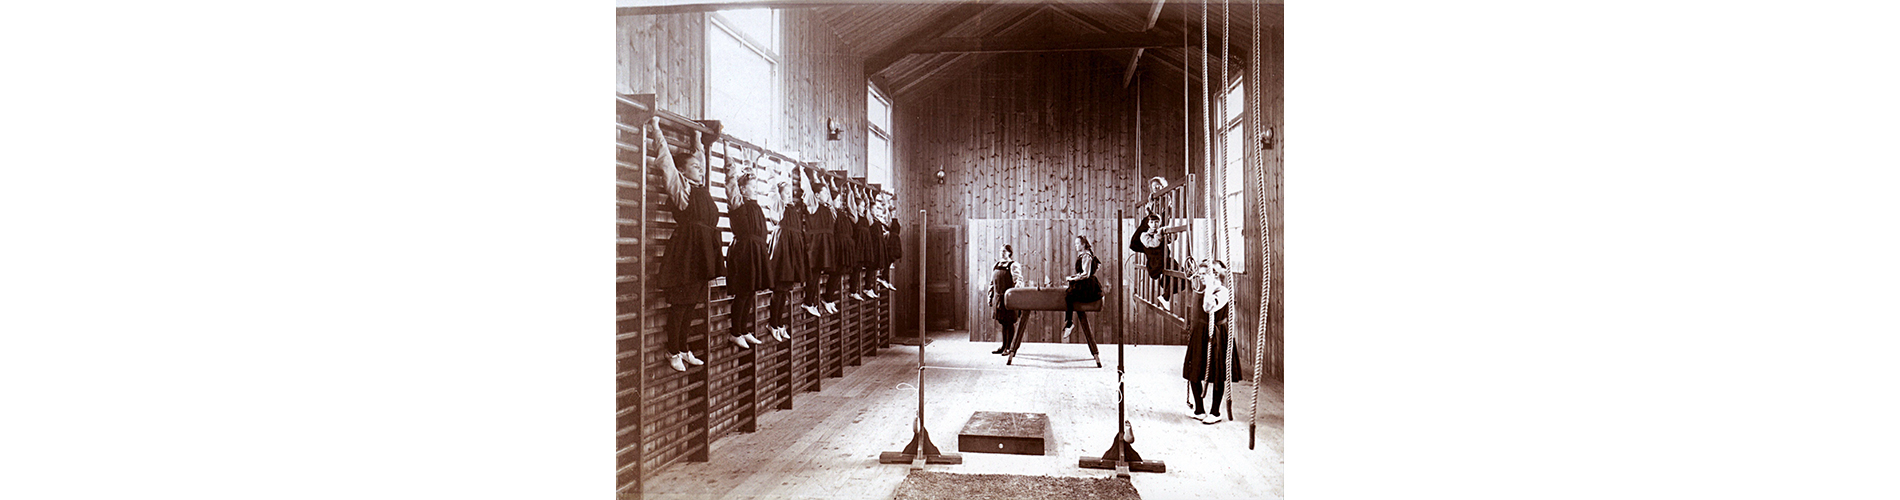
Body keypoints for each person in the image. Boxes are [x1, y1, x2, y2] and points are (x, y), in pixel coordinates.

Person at [649, 117, 724, 372]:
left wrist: (696, 137)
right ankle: (673, 350)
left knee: (692, 303)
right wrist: (656, 128)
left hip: (703, 251)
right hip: (686, 252)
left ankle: (683, 347)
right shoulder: (681, 188)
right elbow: (666, 162)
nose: (700, 169)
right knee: (681, 304)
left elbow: (700, 158)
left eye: (700, 167)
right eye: (694, 167)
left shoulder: (701, 188)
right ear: (683, 171)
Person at [1183, 259, 1243, 424]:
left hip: (1217, 334)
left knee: (1218, 374)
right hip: (1200, 332)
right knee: (1193, 370)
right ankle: (1199, 410)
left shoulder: (1222, 291)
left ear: (1214, 275)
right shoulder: (1202, 289)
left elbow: (1208, 308)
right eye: (1200, 274)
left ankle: (1215, 412)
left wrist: (1209, 286)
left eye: (1205, 274)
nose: (1201, 278)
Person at [723, 170, 772, 349]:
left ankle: (743, 330)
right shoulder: (738, 203)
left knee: (751, 292)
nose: (755, 190)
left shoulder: (755, 206)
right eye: (752, 186)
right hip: (744, 251)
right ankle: (735, 332)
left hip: (757, 250)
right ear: (742, 190)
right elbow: (730, 184)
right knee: (743, 292)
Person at [766, 172, 810, 340]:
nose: (789, 196)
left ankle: (778, 323)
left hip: (792, 251)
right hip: (782, 251)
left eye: (790, 193)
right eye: (786, 193)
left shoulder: (793, 209)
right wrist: (772, 172)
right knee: (779, 289)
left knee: (785, 290)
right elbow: (772, 192)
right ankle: (772, 322)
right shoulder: (779, 206)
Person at [985, 244, 1027, 355]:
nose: (1002, 253)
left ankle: (1009, 347)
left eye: (1004, 251)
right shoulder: (996, 265)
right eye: (1000, 250)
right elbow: (991, 283)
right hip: (998, 298)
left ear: (1009, 252)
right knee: (1003, 322)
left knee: (1009, 322)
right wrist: (990, 296)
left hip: (1009, 298)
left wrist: (1015, 295)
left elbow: (1018, 281)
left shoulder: (1013, 265)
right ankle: (1004, 346)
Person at [805, 174, 838, 315]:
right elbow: (808, 190)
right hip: (816, 244)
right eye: (824, 193)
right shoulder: (813, 205)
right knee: (814, 274)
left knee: (818, 274)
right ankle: (808, 302)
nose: (827, 195)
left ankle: (814, 301)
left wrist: (823, 180)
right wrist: (804, 172)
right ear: (817, 195)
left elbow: (829, 197)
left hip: (826, 243)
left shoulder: (827, 208)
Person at [1062, 235, 1103, 343]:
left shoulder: (1086, 255)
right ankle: (1068, 323)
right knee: (1068, 294)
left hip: (1087, 285)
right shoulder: (1083, 255)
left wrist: (1073, 278)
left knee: (1069, 296)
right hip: (1085, 283)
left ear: (1083, 244)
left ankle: (1069, 323)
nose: (1075, 246)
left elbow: (1086, 274)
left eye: (1077, 244)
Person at [831, 180, 860, 305]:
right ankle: (828, 298)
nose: (839, 202)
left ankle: (830, 299)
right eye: (836, 200)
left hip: (845, 246)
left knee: (841, 273)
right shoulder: (832, 212)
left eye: (839, 200)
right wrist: (828, 181)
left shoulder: (842, 213)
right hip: (838, 246)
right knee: (836, 272)